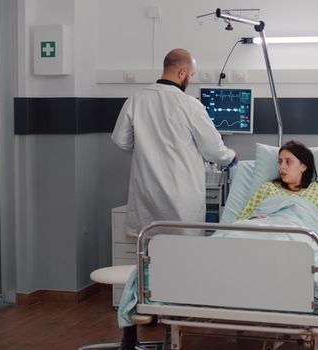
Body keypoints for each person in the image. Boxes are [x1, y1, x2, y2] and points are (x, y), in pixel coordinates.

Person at [111, 48, 236, 349]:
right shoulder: (189, 105)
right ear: (181, 73)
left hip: (146, 193)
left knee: (148, 258)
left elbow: (120, 140)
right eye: (191, 76)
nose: (190, 81)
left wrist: (149, 152)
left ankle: (145, 314)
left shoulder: (136, 100)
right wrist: (231, 158)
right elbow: (213, 150)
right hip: (181, 197)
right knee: (182, 261)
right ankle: (174, 322)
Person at [237, 141, 318, 244]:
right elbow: (243, 218)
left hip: (299, 238)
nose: (282, 167)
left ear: (303, 166)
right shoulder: (268, 188)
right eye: (280, 162)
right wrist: (256, 220)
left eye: (288, 162)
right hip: (262, 235)